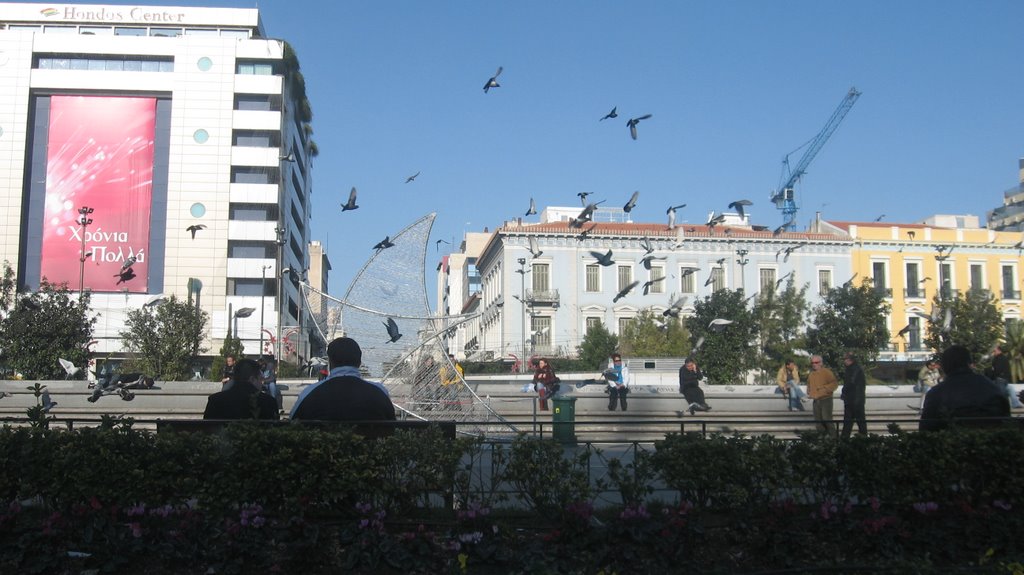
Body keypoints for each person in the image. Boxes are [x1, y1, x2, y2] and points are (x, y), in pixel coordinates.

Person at [290, 337, 396, 421]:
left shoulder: (309, 393)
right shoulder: (380, 392)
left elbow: (293, 423)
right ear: (359, 362)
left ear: (330, 361)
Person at [920, 345, 1011, 431]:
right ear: (970, 364)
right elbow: (1006, 420)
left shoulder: (936, 394)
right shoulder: (990, 387)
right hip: (991, 443)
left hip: (950, 444)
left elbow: (926, 429)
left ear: (944, 366)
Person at [203, 358, 279, 420]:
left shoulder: (215, 400)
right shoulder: (269, 402)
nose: (262, 382)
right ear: (252, 379)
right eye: (260, 379)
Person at [806, 355, 839, 434]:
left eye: (816, 362)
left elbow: (834, 384)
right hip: (816, 401)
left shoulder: (827, 372)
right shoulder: (811, 374)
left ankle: (833, 438)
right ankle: (823, 440)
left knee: (827, 420)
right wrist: (809, 393)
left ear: (821, 363)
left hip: (826, 400)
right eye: (812, 363)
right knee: (818, 422)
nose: (814, 364)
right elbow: (808, 387)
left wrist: (824, 389)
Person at [984, 345, 1023, 409]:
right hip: (1004, 379)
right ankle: (1015, 403)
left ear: (999, 350)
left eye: (995, 351)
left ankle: (1003, 407)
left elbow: (997, 370)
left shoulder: (1000, 358)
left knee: (1001, 394)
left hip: (1000, 379)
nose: (993, 352)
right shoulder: (1002, 358)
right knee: (1010, 388)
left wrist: (990, 370)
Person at [840, 352, 867, 438]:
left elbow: (851, 382)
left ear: (849, 360)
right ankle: (861, 437)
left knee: (852, 420)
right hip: (855, 399)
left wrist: (844, 390)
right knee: (858, 421)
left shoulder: (854, 369)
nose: (844, 361)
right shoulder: (854, 368)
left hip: (854, 399)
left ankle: (846, 438)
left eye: (845, 359)